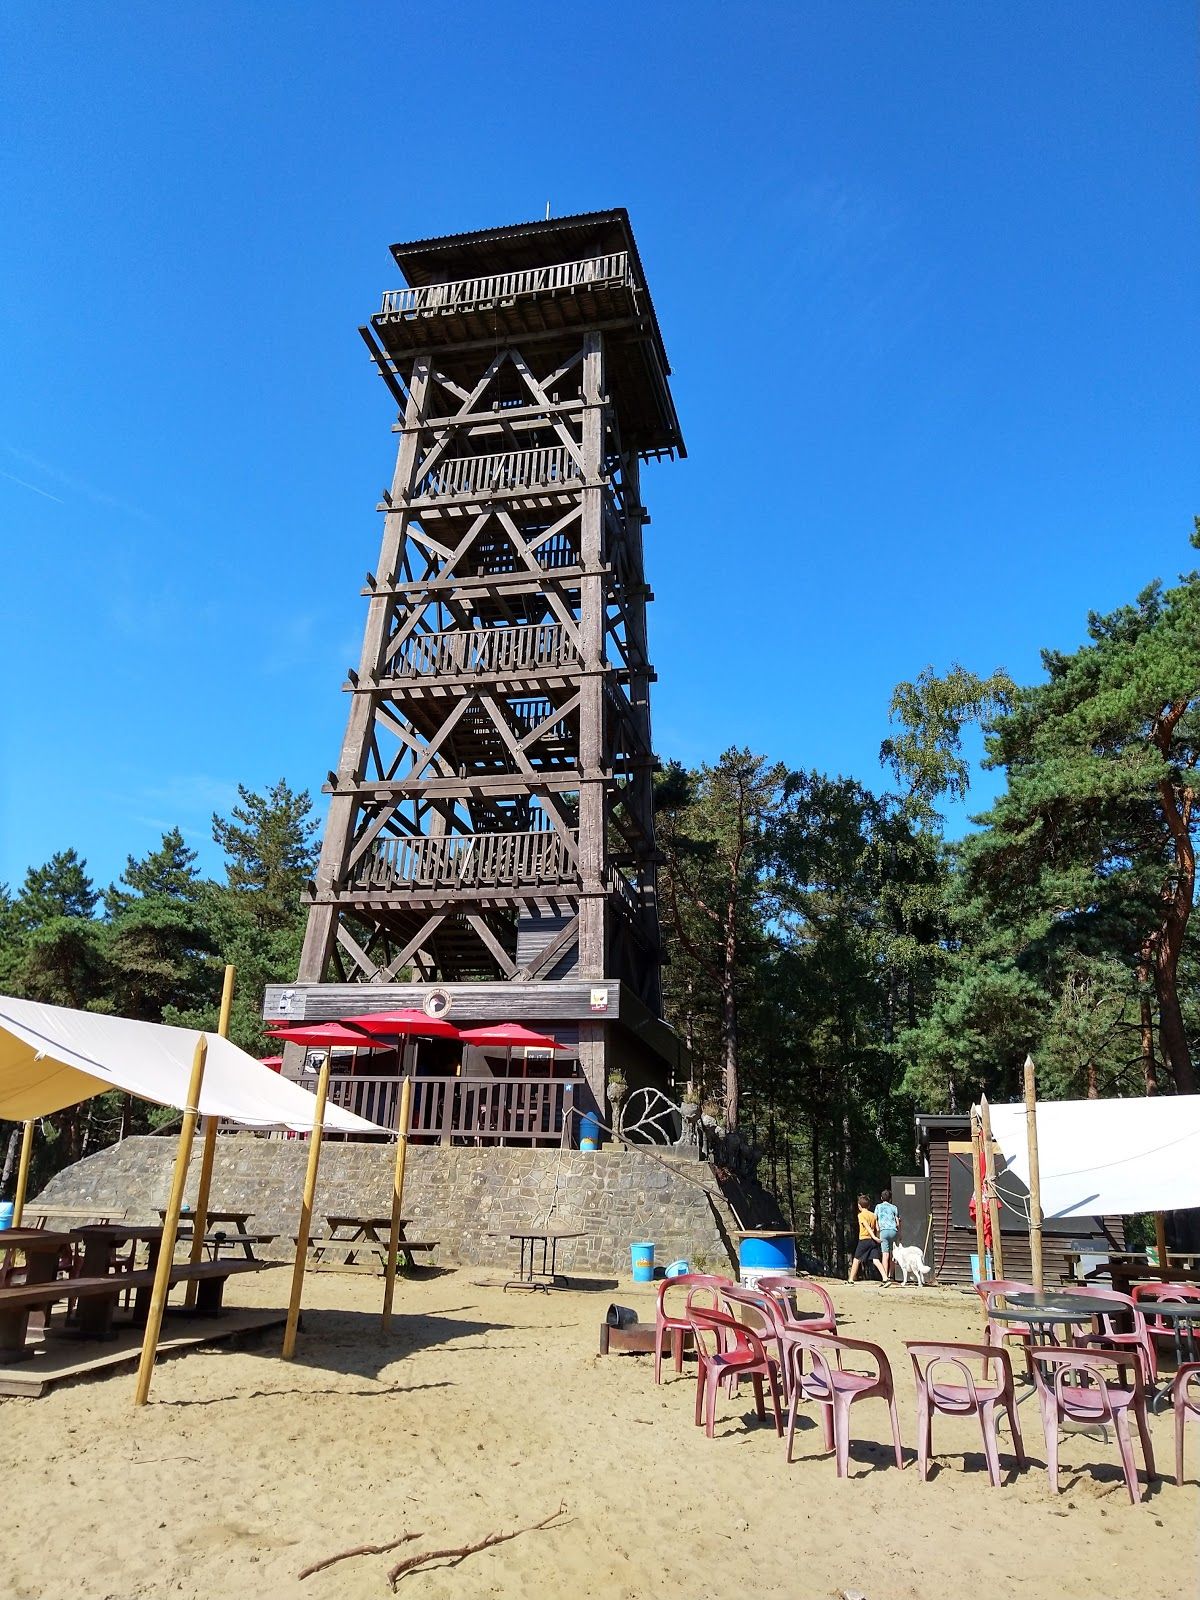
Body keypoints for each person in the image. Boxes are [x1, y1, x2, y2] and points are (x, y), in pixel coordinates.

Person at [848, 1193, 881, 1283]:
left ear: (859, 1206)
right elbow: (877, 1228)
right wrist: (877, 1237)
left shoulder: (861, 1215)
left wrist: (873, 1236)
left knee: (856, 1259)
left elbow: (866, 1226)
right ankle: (885, 1278)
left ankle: (850, 1279)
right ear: (869, 1205)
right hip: (873, 1241)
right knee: (876, 1259)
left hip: (864, 1239)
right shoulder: (873, 1215)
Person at [874, 1189, 900, 1284]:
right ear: (890, 1199)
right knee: (893, 1254)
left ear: (881, 1198)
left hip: (883, 1231)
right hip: (893, 1231)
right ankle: (891, 1276)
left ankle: (884, 1276)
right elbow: (897, 1222)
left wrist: (877, 1231)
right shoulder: (894, 1207)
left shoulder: (878, 1207)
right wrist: (900, 1234)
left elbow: (875, 1219)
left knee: (885, 1254)